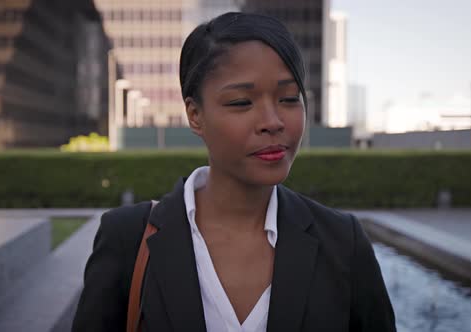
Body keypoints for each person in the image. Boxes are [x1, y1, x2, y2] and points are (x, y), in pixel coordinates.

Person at [72, 12, 396, 332]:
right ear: (195, 115)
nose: (272, 121)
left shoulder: (342, 243)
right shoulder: (127, 239)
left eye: (288, 98)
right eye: (242, 102)